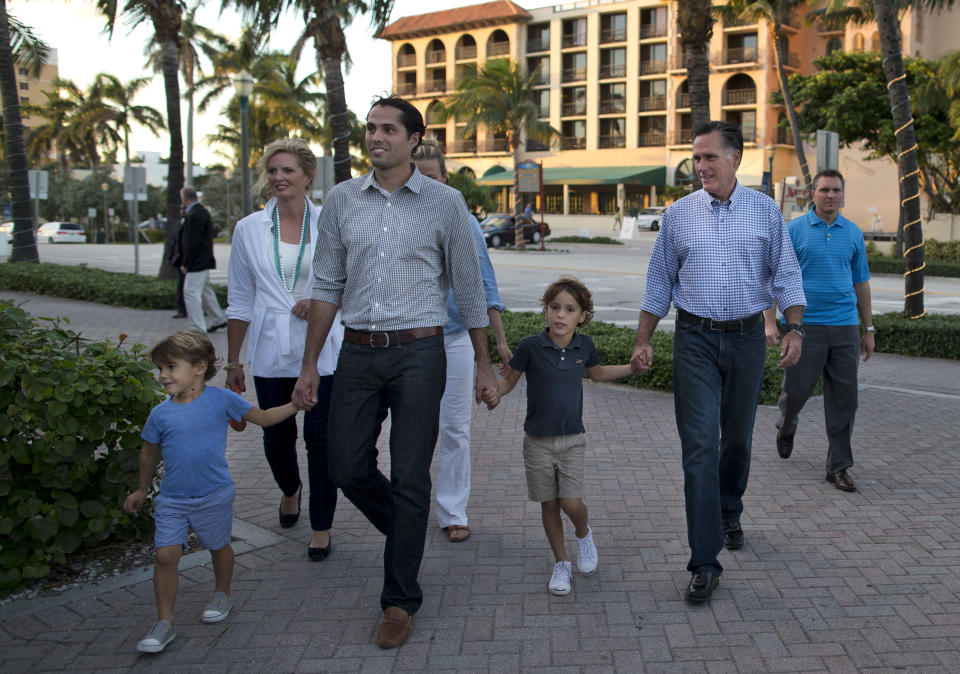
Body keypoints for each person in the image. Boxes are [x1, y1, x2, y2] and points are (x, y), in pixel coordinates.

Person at [292, 95, 500, 649]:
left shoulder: (446, 203)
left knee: (411, 474)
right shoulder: (340, 201)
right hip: (357, 351)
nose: (376, 137)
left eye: (388, 129)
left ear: (414, 138)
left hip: (420, 352)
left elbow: (470, 287)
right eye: (370, 129)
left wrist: (483, 362)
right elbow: (327, 285)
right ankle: (405, 532)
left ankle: (399, 599)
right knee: (344, 464)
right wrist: (310, 363)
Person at [631, 120, 806, 603]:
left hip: (750, 338)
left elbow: (786, 276)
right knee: (700, 447)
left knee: (738, 441)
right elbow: (658, 284)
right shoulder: (679, 214)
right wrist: (643, 340)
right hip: (695, 340)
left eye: (709, 156)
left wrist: (794, 328)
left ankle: (730, 509)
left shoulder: (765, 211)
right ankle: (705, 561)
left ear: (735, 158)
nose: (701, 165)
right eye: (697, 156)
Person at [123, 330, 303, 653]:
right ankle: (165, 622)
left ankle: (222, 591)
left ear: (199, 367)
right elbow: (149, 453)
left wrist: (295, 405)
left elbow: (261, 418)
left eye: (170, 367)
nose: (163, 376)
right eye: (160, 370)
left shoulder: (222, 400)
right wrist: (141, 488)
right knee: (165, 556)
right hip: (172, 500)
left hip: (214, 495)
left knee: (218, 545)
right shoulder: (160, 414)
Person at [226, 138, 344, 559]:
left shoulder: (331, 220)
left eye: (287, 171)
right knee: (276, 436)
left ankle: (321, 525)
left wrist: (323, 301)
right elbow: (239, 298)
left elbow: (354, 278)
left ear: (308, 176)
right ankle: (290, 488)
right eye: (272, 171)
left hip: (323, 346)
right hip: (271, 348)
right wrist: (232, 361)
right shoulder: (248, 229)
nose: (278, 178)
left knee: (321, 438)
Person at [498, 277, 639, 595]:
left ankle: (583, 533)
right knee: (549, 504)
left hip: (572, 439)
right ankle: (562, 563)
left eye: (570, 309)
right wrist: (494, 392)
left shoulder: (583, 346)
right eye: (555, 307)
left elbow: (599, 374)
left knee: (571, 502)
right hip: (537, 441)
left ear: (583, 316)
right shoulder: (530, 347)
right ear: (546, 310)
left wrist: (633, 368)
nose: (561, 315)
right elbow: (508, 383)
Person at [412, 138, 512, 543]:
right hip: (409, 340)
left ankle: (453, 510)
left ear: (446, 178)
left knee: (455, 428)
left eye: (432, 177)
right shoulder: (396, 219)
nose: (425, 186)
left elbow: (484, 286)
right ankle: (410, 509)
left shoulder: (464, 221)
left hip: (452, 338)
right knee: (413, 429)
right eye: (418, 178)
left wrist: (500, 344)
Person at [771, 169, 874, 492]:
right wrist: (772, 321)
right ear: (812, 193)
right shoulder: (794, 231)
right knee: (797, 391)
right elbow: (777, 277)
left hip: (845, 326)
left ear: (843, 195)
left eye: (837, 191)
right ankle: (786, 425)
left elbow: (861, 283)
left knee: (845, 399)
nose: (831, 196)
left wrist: (868, 327)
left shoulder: (853, 233)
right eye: (825, 190)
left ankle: (838, 467)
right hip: (805, 327)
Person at [179, 186, 227, 334]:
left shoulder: (193, 214)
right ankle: (218, 319)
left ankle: (197, 327)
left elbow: (191, 241)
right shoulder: (202, 212)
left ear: (184, 199)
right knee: (206, 290)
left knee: (190, 292)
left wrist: (186, 263)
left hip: (196, 262)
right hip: (203, 259)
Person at [169, 208, 187, 319]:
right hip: (180, 260)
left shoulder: (191, 223)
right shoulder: (178, 224)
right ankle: (182, 309)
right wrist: (170, 257)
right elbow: (175, 242)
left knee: (192, 290)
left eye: (184, 208)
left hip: (190, 263)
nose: (182, 210)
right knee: (182, 286)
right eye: (181, 209)